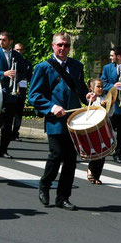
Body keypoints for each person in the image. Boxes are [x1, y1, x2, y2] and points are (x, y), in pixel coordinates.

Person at [28, 32, 91, 210]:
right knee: (56, 155)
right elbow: (33, 95)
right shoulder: (43, 67)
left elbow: (81, 91)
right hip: (55, 120)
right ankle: (44, 185)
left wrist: (89, 97)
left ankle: (63, 197)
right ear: (53, 46)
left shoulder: (77, 66)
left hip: (74, 120)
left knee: (71, 159)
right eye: (60, 45)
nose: (63, 48)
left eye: (66, 45)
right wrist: (51, 107)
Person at [0, 31, 30, 158]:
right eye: (0, 39)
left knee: (8, 125)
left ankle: (3, 150)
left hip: (11, 94)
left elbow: (23, 73)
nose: (1, 42)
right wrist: (3, 74)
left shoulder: (17, 55)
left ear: (10, 41)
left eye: (4, 40)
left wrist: (17, 75)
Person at [86, 78, 107, 185]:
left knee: (103, 152)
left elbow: (111, 113)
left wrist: (108, 105)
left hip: (104, 127)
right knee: (95, 150)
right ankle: (90, 169)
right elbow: (90, 110)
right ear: (91, 88)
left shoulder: (105, 98)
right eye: (98, 86)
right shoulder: (89, 98)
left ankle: (97, 176)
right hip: (93, 128)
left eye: (102, 86)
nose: (100, 88)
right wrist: (100, 106)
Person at [12, 42, 27, 141]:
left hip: (21, 89)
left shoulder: (26, 63)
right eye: (17, 50)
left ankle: (15, 133)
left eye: (21, 50)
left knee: (18, 113)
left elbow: (28, 76)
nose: (19, 52)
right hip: (10, 91)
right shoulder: (11, 61)